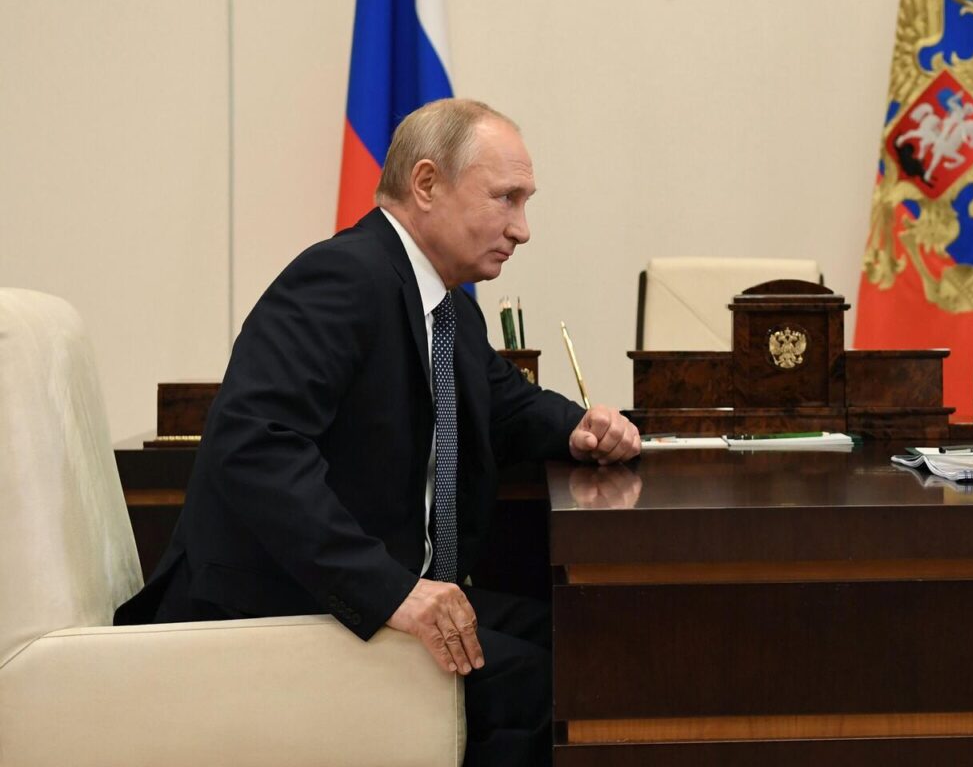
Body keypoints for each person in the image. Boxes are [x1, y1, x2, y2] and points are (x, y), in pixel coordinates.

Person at [115, 98, 641, 767]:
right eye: (505, 198)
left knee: (587, 642)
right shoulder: (342, 276)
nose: (522, 229)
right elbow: (255, 446)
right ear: (426, 184)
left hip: (367, 592)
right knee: (541, 689)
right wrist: (391, 591)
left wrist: (582, 429)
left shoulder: (448, 308)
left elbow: (505, 403)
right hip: (282, 608)